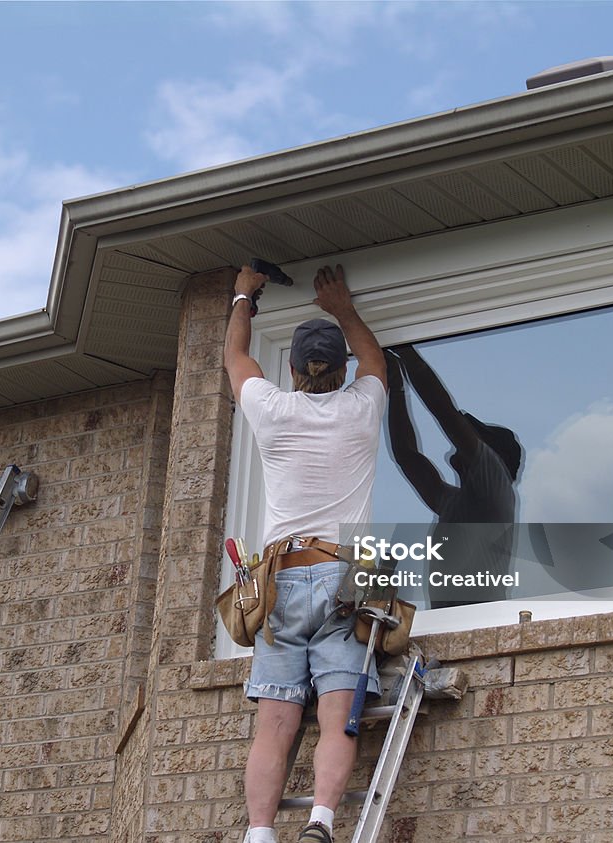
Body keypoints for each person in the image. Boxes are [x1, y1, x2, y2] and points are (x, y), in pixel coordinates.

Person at [224, 264, 388, 843]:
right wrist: (342, 307)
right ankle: (320, 821)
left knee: (275, 721)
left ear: (292, 371)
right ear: (340, 370)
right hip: (345, 573)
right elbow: (377, 364)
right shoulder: (360, 409)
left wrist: (245, 295)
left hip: (280, 578)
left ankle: (262, 833)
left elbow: (236, 360)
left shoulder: (272, 411)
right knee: (338, 711)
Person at [385, 346, 522, 608]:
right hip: (450, 622)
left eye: (472, 439)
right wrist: (396, 385)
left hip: (479, 623)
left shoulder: (496, 482)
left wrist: (405, 348)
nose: (462, 443)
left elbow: (445, 413)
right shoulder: (459, 504)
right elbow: (406, 455)